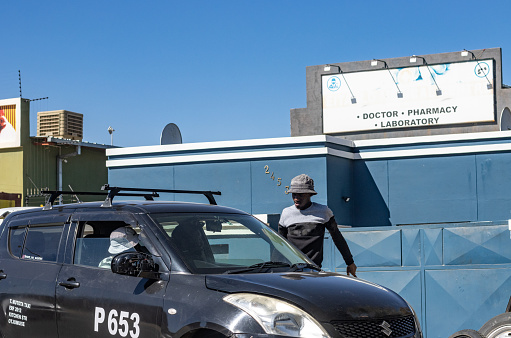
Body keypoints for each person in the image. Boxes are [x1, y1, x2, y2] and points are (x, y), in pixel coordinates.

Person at [278, 174, 357, 277]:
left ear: (310, 195)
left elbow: (338, 238)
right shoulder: (286, 213)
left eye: (300, 194)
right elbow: (279, 244)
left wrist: (350, 262)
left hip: (314, 270)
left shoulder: (323, 212)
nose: (296, 198)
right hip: (291, 271)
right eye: (294, 194)